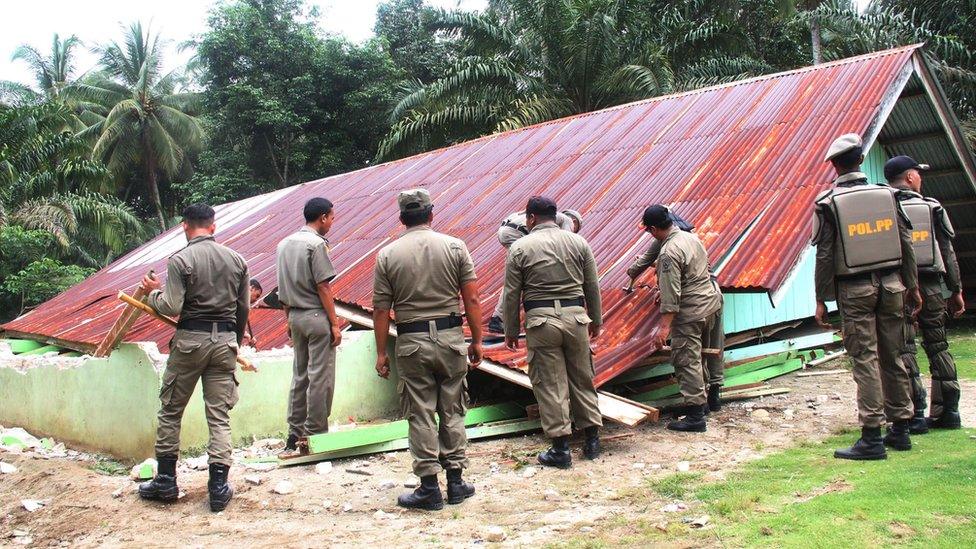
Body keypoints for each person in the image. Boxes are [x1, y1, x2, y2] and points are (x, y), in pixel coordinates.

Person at [372, 188, 484, 511]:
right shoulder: (455, 247)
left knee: (420, 412)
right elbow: (472, 299)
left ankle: (429, 487)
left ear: (401, 218)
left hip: (412, 343)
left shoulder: (388, 255)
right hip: (450, 338)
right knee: (453, 409)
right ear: (431, 214)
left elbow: (381, 310)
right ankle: (456, 482)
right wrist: (475, 340)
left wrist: (381, 353)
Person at [812, 134, 921, 460]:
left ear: (834, 164)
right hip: (891, 285)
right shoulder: (889, 195)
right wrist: (912, 286)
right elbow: (907, 244)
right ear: (861, 159)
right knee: (894, 354)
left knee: (865, 359)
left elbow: (825, 255)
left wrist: (821, 298)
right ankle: (900, 430)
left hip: (854, 289)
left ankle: (872, 436)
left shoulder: (828, 203)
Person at [137, 203, 249, 512]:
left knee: (171, 411)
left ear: (185, 226)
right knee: (219, 416)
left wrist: (151, 294)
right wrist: (234, 343)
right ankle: (217, 487)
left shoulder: (181, 259)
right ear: (213, 226)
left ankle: (166, 481)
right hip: (224, 343)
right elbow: (243, 310)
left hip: (189, 343)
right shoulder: (237, 260)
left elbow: (171, 305)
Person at [503, 196, 603, 468]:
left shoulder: (520, 247)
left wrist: (510, 329)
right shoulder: (579, 242)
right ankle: (592, 440)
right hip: (576, 318)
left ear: (530, 218)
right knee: (582, 377)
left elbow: (512, 293)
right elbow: (592, 286)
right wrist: (596, 321)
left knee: (550, 383)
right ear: (555, 216)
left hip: (541, 321)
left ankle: (561, 449)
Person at [885, 155, 965, 432]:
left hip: (900, 288)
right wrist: (956, 290)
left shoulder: (883, 209)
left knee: (904, 347)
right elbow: (948, 253)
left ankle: (914, 414)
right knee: (938, 345)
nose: (921, 177)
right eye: (918, 173)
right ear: (909, 177)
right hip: (931, 287)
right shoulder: (932, 207)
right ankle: (948, 412)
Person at [626, 207, 726, 413]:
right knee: (710, 350)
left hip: (692, 310)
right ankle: (711, 399)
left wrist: (663, 328)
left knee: (686, 360)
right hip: (711, 301)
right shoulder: (691, 238)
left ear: (653, 229)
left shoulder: (669, 253)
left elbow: (671, 296)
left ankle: (696, 414)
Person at [276, 198, 342, 453]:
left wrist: (287, 319)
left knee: (300, 375)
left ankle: (294, 434)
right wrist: (335, 324)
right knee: (320, 377)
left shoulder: (283, 244)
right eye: (332, 218)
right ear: (323, 217)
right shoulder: (316, 245)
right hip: (316, 317)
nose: (332, 224)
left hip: (294, 316)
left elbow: (282, 286)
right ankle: (315, 434)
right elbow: (323, 286)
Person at [488, 209, 583, 333]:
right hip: (517, 233)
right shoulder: (567, 220)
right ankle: (500, 318)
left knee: (516, 276)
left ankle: (500, 317)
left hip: (506, 231)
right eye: (576, 229)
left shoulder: (549, 216)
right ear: (574, 221)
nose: (574, 231)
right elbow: (565, 245)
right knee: (520, 278)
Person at [242, 279, 263, 347]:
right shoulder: (237, 300)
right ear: (251, 288)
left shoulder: (243, 305)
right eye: (257, 295)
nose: (256, 299)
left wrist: (248, 336)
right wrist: (247, 335)